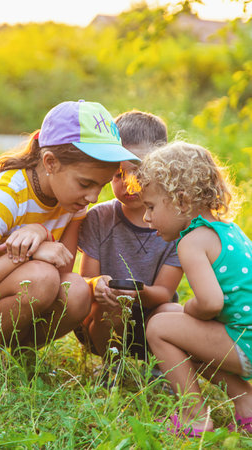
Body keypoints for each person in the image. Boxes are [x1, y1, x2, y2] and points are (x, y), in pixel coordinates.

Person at [0, 100, 140, 355]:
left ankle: (14, 357)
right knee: (40, 278)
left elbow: (63, 272)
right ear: (50, 162)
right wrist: (29, 254)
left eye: (100, 186)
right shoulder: (4, 197)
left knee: (76, 290)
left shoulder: (72, 203)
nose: (93, 197)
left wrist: (42, 235)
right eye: (85, 183)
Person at [135, 141, 252, 436]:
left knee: (159, 327)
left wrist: (191, 308)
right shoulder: (227, 230)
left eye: (150, 207)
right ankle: (246, 403)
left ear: (182, 202)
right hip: (244, 335)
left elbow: (210, 303)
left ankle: (194, 417)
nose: (146, 218)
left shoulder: (191, 241)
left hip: (245, 343)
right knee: (172, 315)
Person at [77, 110, 183, 360]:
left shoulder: (176, 224)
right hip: (101, 321)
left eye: (139, 170)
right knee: (112, 308)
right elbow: (86, 280)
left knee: (173, 310)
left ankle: (161, 370)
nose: (128, 183)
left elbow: (164, 293)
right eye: (117, 174)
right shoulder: (99, 218)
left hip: (150, 319)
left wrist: (137, 293)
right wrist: (97, 285)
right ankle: (109, 367)